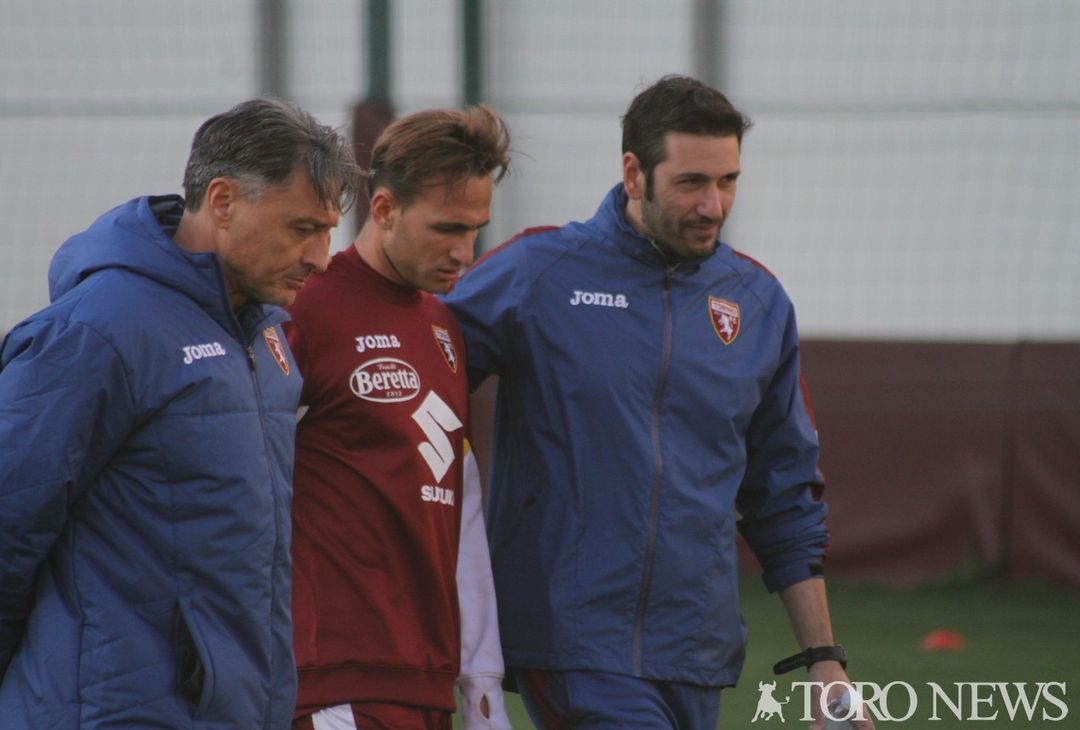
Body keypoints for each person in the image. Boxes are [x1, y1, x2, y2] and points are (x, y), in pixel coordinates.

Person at [444, 75, 875, 729]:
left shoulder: (757, 304)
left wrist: (824, 659)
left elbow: (784, 494)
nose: (713, 204)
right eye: (691, 183)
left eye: (728, 181)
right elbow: (412, 371)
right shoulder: (540, 273)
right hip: (572, 639)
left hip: (695, 649)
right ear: (633, 172)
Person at [0, 98, 361, 728]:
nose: (321, 258)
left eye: (329, 232)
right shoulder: (98, 330)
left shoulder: (268, 337)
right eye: (303, 228)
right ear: (222, 201)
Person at [285, 105, 513, 730]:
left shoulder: (443, 327)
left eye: (476, 229)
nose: (464, 251)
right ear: (383, 209)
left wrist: (481, 682)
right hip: (334, 676)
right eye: (446, 228)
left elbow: (460, 504)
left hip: (426, 681)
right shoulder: (308, 308)